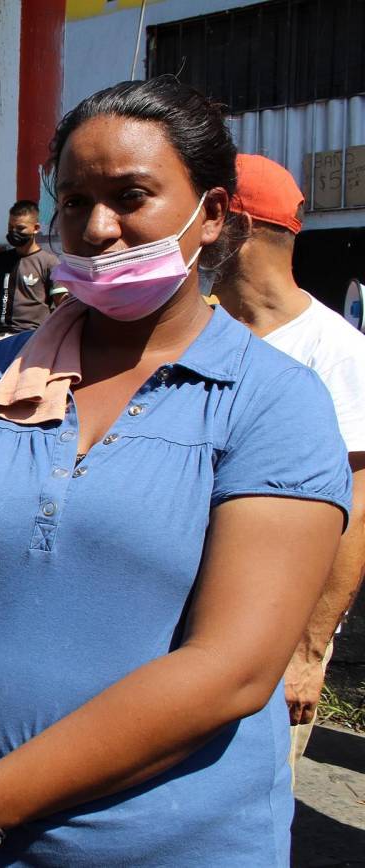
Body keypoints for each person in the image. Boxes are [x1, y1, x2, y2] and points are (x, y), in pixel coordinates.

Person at [0, 77, 351, 867]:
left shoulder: (274, 400)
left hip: (169, 847)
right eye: (74, 201)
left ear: (212, 215)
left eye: (132, 197)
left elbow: (233, 668)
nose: (96, 228)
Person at [212, 153, 365, 785]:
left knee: (250, 798)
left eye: (205, 213)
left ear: (236, 226)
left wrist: (307, 649)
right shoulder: (197, 332)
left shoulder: (336, 352)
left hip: (274, 632)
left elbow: (357, 509)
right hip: (183, 621)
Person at [0, 200, 63, 343]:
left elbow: (62, 304)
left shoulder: (50, 262)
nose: (14, 232)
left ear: (36, 228)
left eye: (20, 228)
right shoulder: (0, 260)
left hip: (33, 337)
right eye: (10, 227)